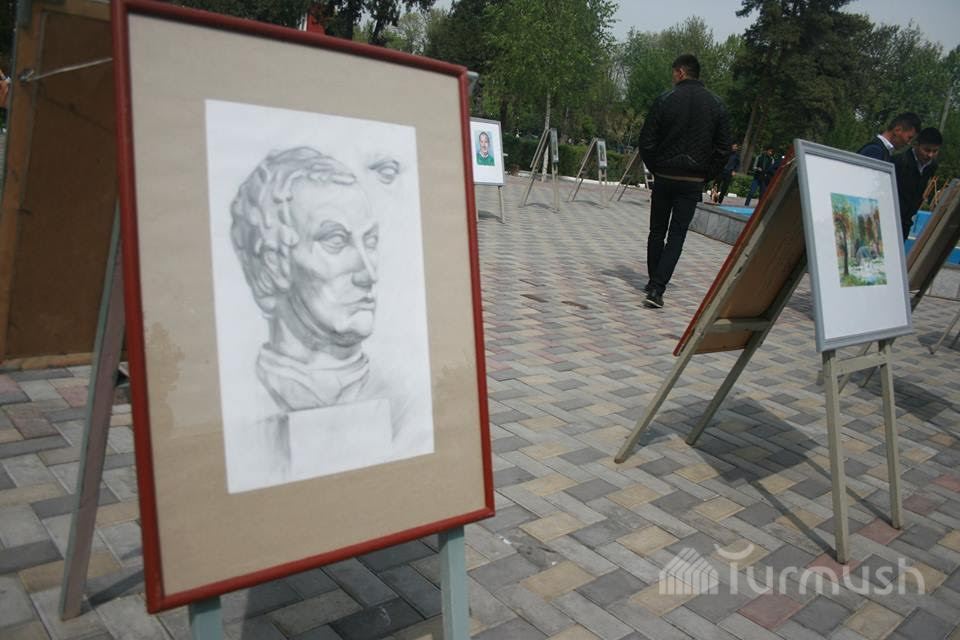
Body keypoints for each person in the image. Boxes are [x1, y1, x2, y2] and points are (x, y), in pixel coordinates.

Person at [637, 53, 731, 308]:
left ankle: (653, 282)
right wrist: (705, 175)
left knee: (657, 231)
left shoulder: (665, 99)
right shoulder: (716, 105)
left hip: (665, 176)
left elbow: (646, 141)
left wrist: (656, 167)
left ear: (680, 72)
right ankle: (658, 288)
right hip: (692, 181)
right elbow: (724, 149)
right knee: (677, 235)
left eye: (673, 73)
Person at [894, 127, 941, 241]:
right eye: (927, 150)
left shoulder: (931, 166)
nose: (930, 155)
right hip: (892, 216)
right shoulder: (899, 162)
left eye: (935, 151)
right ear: (916, 145)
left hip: (906, 221)